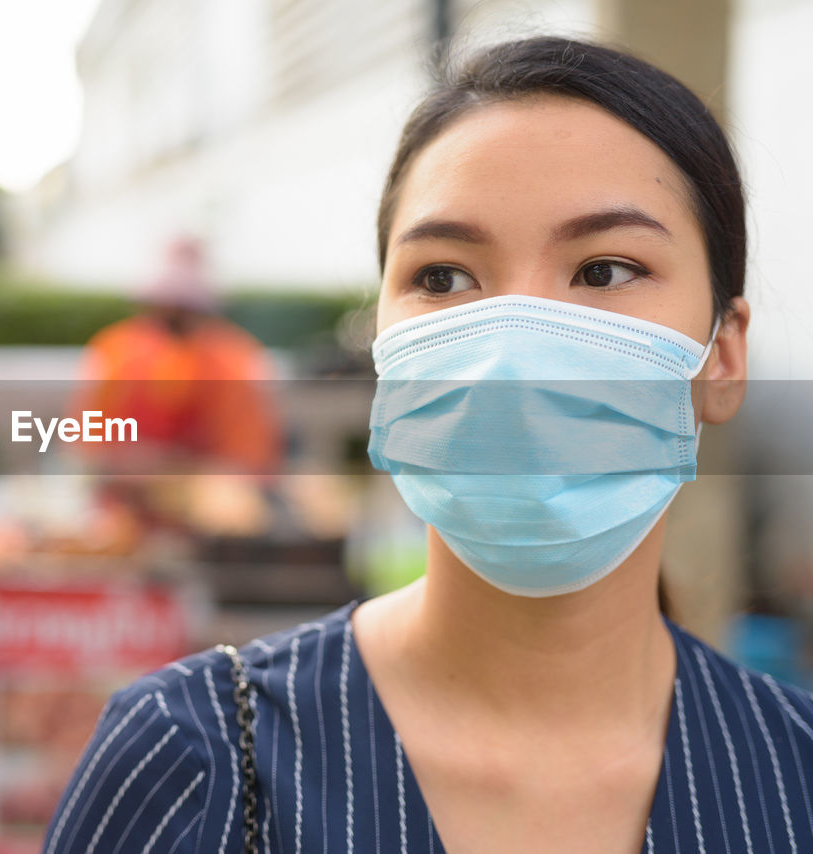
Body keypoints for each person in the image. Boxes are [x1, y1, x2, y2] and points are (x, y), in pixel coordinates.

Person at [43, 37, 813, 853]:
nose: (512, 346)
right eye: (443, 277)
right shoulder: (194, 763)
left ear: (722, 357)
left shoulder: (791, 776)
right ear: (385, 347)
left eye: (605, 270)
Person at [76, 236, 281, 474]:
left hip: (208, 487)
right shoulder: (117, 349)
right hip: (127, 483)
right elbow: (90, 441)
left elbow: (249, 451)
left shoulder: (232, 356)